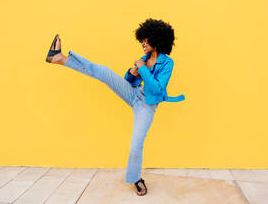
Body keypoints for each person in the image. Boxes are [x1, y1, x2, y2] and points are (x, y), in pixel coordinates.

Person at [45, 18, 185, 196]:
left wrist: (142, 69)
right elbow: (130, 82)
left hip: (147, 106)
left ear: (157, 39)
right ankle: (60, 58)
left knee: (136, 146)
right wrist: (133, 72)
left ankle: (135, 178)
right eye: (141, 39)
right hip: (134, 94)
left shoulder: (167, 63)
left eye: (145, 39)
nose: (142, 43)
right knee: (103, 71)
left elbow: (157, 89)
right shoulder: (144, 59)